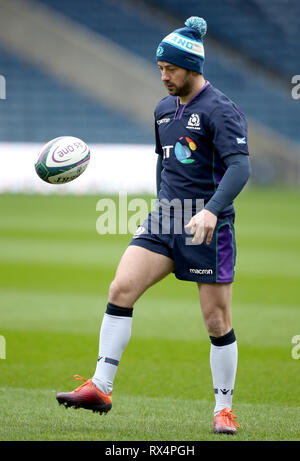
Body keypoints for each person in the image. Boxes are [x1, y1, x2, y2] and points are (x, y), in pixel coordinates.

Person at [56, 16, 251, 435]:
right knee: (120, 289)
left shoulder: (222, 109)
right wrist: (164, 205)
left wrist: (213, 210)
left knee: (216, 321)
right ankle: (100, 386)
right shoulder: (163, 110)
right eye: (160, 68)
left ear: (192, 67)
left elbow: (240, 167)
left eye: (171, 69)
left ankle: (223, 410)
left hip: (207, 226)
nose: (163, 75)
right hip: (165, 220)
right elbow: (165, 164)